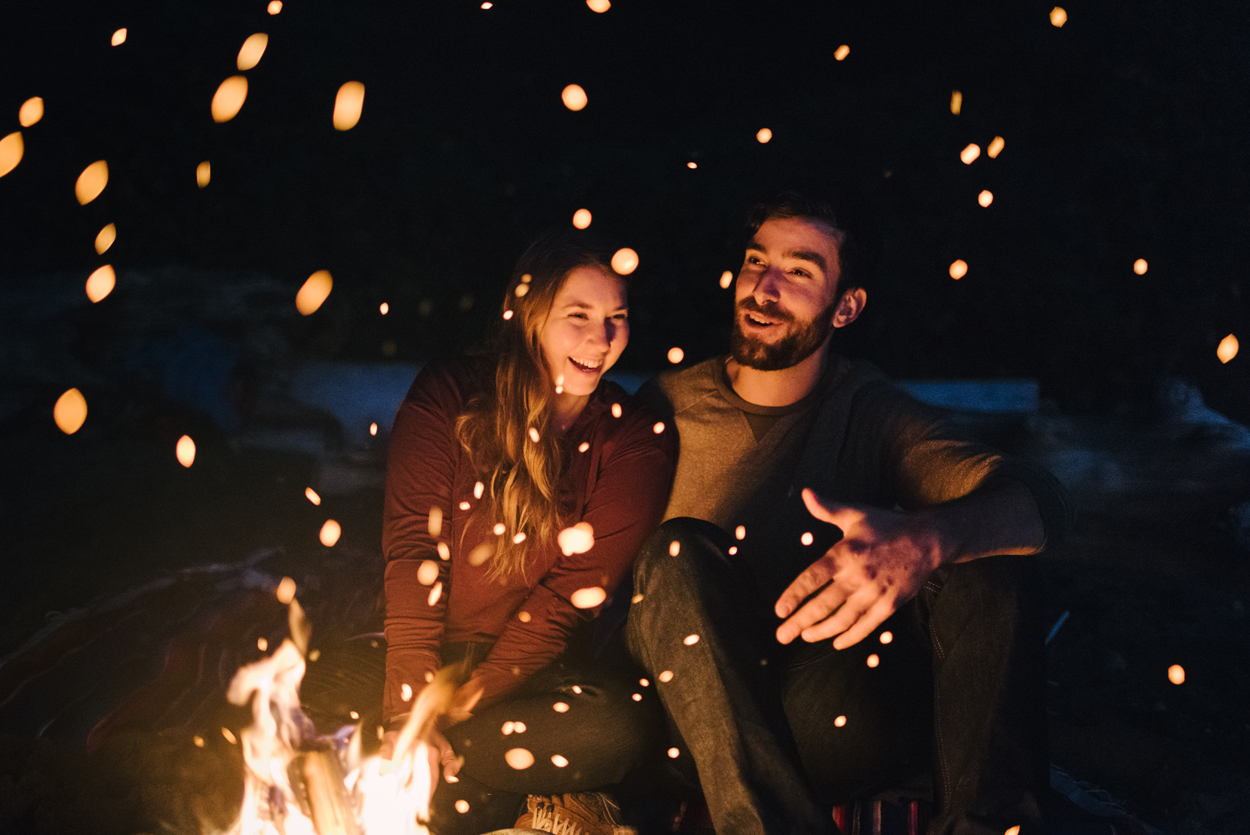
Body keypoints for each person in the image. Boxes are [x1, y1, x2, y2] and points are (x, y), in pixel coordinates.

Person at [626, 189, 1074, 835]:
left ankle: (991, 824)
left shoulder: (866, 409)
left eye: (799, 271)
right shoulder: (665, 405)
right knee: (678, 550)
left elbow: (1045, 502)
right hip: (690, 725)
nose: (764, 287)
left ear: (847, 306)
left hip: (822, 714)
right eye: (757, 261)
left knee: (980, 555)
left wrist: (921, 543)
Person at [380, 232, 676, 835]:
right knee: (306, 697)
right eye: (579, 317)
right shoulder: (449, 395)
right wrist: (408, 711)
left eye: (616, 318)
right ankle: (502, 792)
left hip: (530, 677)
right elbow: (415, 552)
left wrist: (457, 705)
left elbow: (570, 596)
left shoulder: (634, 435)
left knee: (616, 730)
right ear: (529, 316)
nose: (602, 340)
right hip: (418, 657)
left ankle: (454, 781)